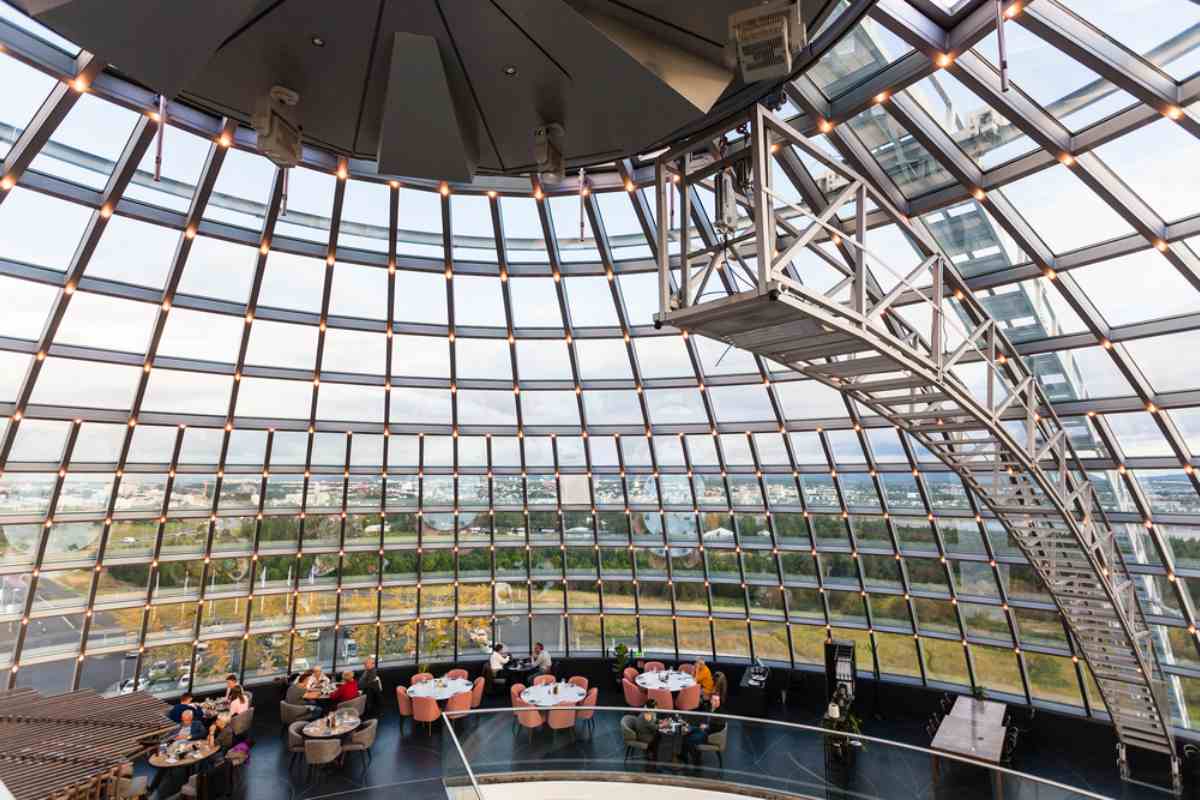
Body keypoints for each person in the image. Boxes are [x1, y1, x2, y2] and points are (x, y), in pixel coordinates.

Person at [683, 693, 726, 766]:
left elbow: (720, 726)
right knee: (685, 734)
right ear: (711, 701)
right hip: (701, 729)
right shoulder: (708, 707)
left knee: (689, 740)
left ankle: (696, 761)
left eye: (718, 700)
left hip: (710, 734)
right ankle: (684, 756)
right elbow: (701, 717)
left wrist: (707, 727)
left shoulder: (721, 712)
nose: (716, 702)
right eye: (714, 700)